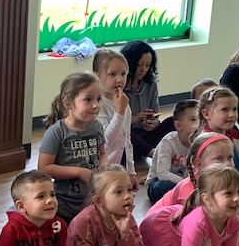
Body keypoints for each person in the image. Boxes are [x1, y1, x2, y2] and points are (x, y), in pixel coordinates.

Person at [38, 71, 108, 223]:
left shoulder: (97, 127)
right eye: (88, 99)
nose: (95, 105)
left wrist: (103, 169)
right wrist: (79, 172)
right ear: (68, 103)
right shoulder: (57, 132)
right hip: (64, 207)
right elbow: (44, 168)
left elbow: (102, 153)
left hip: (92, 203)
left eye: (98, 99)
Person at [199, 86, 239, 246]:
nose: (231, 114)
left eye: (234, 109)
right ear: (207, 114)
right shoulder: (205, 141)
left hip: (236, 195)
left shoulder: (234, 135)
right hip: (216, 201)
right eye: (225, 109)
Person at [92, 49, 139, 191]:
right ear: (97, 76)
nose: (119, 79)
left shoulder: (123, 103)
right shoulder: (97, 105)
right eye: (112, 74)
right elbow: (106, 140)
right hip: (101, 171)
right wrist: (120, 111)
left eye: (123, 74)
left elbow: (127, 140)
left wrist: (131, 171)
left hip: (118, 166)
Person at [120, 40, 173, 159]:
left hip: (145, 136)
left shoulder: (150, 84)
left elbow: (155, 114)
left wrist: (153, 124)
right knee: (123, 131)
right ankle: (151, 153)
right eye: (139, 65)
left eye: (147, 65)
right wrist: (134, 119)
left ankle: (145, 150)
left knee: (173, 121)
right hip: (127, 138)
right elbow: (114, 124)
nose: (143, 69)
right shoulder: (118, 86)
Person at [146, 99, 200, 203]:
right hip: (159, 181)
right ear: (178, 125)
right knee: (162, 187)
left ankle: (187, 197)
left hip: (186, 180)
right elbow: (162, 174)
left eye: (200, 119)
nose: (198, 124)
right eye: (193, 119)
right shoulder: (168, 142)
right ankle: (187, 197)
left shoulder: (199, 142)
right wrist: (186, 183)